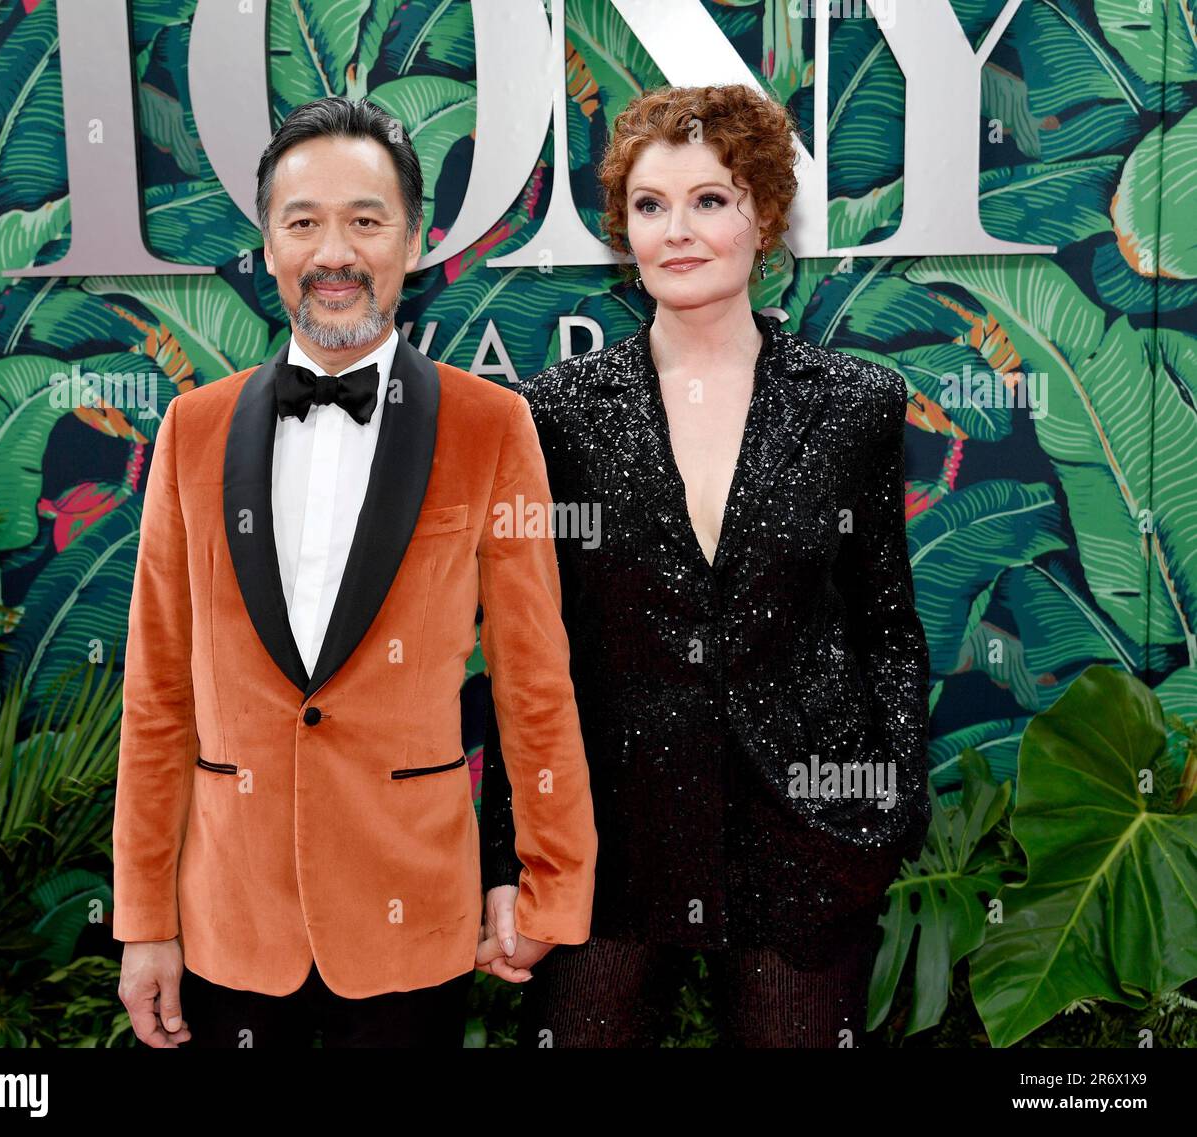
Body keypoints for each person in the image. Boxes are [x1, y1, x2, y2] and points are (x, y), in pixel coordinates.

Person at [112, 96, 596, 1048]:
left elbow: (534, 683)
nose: (334, 251)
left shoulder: (493, 427)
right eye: (304, 222)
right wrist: (144, 920)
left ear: (414, 242)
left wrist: (553, 882)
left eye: (366, 221)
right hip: (228, 928)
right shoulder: (190, 432)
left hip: (411, 922)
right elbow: (157, 694)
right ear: (268, 244)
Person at [479, 83, 932, 1047]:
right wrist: (507, 859)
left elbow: (886, 624)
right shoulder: (555, 410)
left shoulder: (856, 403)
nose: (677, 231)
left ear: (765, 216)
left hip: (804, 839)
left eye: (710, 200)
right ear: (622, 227)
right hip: (612, 836)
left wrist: (884, 803)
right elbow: (530, 655)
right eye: (651, 206)